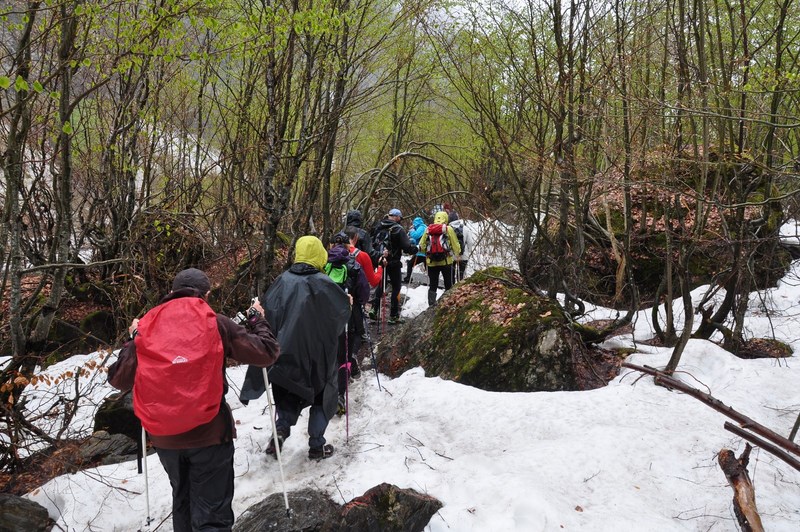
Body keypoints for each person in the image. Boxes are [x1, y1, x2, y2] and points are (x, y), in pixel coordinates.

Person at [108, 268, 280, 532]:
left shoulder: (146, 325)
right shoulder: (216, 321)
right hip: (209, 433)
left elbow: (119, 379)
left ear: (172, 292)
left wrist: (133, 339)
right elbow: (266, 353)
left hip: (164, 437)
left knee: (183, 501)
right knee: (212, 514)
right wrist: (257, 320)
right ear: (206, 294)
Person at [240, 236, 351, 460]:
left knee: (288, 395)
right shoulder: (326, 283)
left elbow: (267, 316)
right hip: (319, 356)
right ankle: (317, 445)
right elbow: (340, 318)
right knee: (321, 396)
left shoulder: (282, 282)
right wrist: (346, 303)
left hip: (286, 353)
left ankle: (280, 431)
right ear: (319, 254)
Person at [326, 232, 370, 414]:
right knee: (345, 355)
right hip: (349, 315)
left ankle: (326, 389)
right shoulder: (354, 265)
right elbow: (364, 292)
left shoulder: (324, 265)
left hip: (327, 316)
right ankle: (339, 395)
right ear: (347, 246)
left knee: (330, 353)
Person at [368, 208, 418, 325]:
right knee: (396, 287)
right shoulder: (397, 229)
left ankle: (374, 310)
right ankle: (393, 315)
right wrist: (416, 248)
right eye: (400, 217)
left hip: (380, 260)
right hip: (393, 263)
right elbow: (407, 248)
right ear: (396, 217)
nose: (400, 220)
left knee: (381, 285)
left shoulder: (378, 226)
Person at [418, 211, 462, 307]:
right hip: (446, 261)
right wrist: (457, 253)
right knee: (448, 284)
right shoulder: (448, 229)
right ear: (445, 219)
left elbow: (421, 245)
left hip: (431, 262)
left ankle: (431, 305)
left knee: (433, 284)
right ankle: (448, 304)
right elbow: (455, 244)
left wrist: (426, 252)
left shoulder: (428, 229)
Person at [404, 216, 427, 284]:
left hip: (421, 252)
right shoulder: (422, 227)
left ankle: (408, 278)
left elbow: (416, 235)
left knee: (410, 264)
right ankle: (432, 281)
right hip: (423, 252)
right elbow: (417, 239)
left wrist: (411, 230)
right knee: (427, 267)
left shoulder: (422, 227)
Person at [449, 218, 468, 283]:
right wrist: (468, 251)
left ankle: (452, 287)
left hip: (452, 255)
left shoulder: (448, 229)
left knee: (451, 273)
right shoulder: (465, 228)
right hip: (464, 255)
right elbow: (470, 242)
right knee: (461, 273)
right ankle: (460, 287)